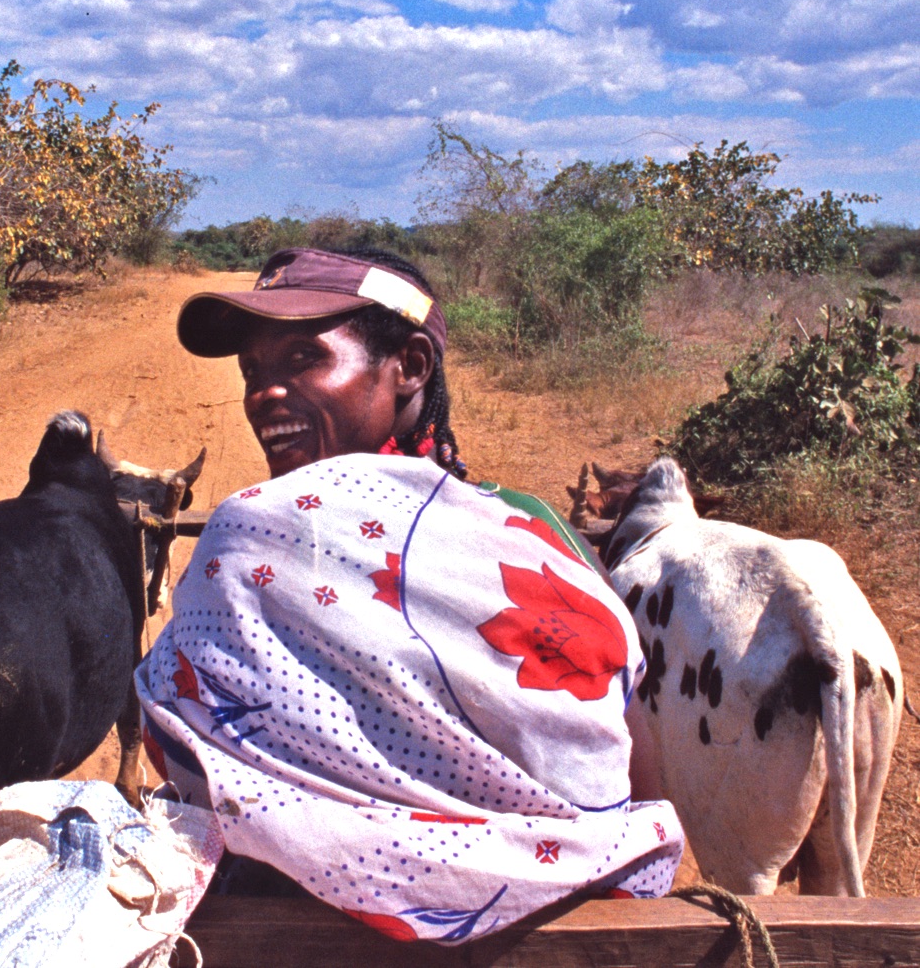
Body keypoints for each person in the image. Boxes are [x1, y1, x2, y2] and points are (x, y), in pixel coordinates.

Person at [135, 247, 682, 943]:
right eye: (253, 371)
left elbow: (189, 754)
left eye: (302, 358)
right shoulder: (538, 534)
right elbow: (628, 774)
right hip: (545, 935)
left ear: (412, 366)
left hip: (287, 939)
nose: (262, 393)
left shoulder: (241, 538)